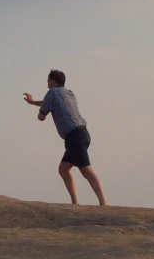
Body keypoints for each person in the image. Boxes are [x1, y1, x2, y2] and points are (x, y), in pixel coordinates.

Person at [23, 69, 107, 206]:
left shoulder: (52, 92)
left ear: (53, 81)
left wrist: (41, 113)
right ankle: (75, 202)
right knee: (63, 169)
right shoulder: (69, 93)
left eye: (48, 81)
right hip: (82, 133)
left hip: (74, 136)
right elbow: (48, 103)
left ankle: (104, 203)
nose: (47, 84)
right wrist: (32, 102)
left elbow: (41, 116)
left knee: (86, 170)